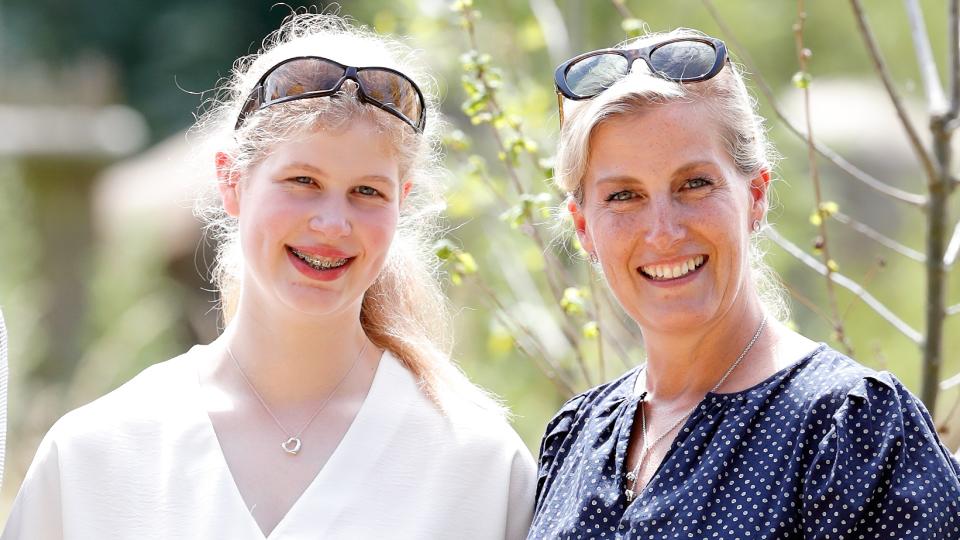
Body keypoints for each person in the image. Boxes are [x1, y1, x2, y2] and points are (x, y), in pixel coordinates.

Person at [3, 13, 535, 539]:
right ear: (231, 182)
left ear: (403, 203)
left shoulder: (477, 466)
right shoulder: (97, 453)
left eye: (367, 192)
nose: (332, 223)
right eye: (303, 180)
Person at [528, 29, 960, 539]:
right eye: (624, 195)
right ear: (584, 228)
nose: (663, 231)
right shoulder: (575, 436)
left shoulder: (851, 428)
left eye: (694, 184)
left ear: (754, 196)